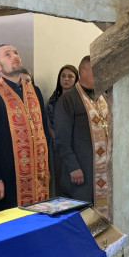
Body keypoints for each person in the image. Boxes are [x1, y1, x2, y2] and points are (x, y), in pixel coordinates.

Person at [0, 44, 49, 213]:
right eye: (7, 54)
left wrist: (46, 167)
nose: (15, 56)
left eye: (16, 53)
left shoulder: (34, 91)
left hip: (37, 174)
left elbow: (43, 131)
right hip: (7, 174)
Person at [54, 56, 109, 214]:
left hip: (104, 169)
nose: (101, 75)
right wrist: (73, 167)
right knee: (83, 212)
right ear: (83, 72)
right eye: (97, 71)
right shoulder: (68, 99)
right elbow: (61, 138)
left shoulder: (102, 97)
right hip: (82, 168)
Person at [46, 65, 79, 196]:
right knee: (60, 182)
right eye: (63, 76)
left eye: (70, 76)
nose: (66, 79)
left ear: (76, 79)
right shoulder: (52, 100)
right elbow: (49, 125)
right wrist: (59, 139)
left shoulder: (80, 100)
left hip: (76, 148)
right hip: (58, 147)